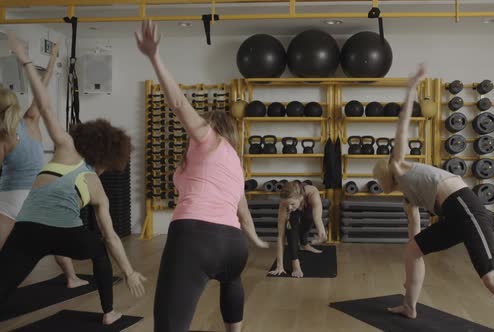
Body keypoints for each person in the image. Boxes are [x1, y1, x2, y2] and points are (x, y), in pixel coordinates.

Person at [372, 63, 494, 332]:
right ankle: (410, 306)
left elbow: (401, 130)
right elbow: (415, 234)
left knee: (493, 279)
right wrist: (412, 260)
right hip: (452, 215)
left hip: (466, 208)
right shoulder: (408, 195)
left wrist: (411, 89)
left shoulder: (399, 167)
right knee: (413, 249)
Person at [0, 31, 146, 325]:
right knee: (100, 252)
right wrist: (129, 271)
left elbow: (46, 106)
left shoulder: (65, 149)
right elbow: (111, 236)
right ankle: (109, 313)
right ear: (107, 159)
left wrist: (27, 61)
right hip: (67, 236)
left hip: (27, 231)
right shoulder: (97, 187)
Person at [135, 20, 269, 332]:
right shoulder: (235, 161)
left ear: (211, 127)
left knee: (169, 325)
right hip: (234, 246)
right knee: (231, 280)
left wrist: (154, 56)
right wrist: (256, 239)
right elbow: (243, 211)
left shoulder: (208, 140)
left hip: (195, 238)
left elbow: (179, 104)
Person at [0, 43, 88, 289]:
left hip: (11, 197)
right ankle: (72, 278)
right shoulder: (31, 119)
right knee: (53, 237)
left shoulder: (3, 134)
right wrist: (52, 61)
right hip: (38, 194)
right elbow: (42, 89)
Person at [268, 181, 328, 278]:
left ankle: (305, 244)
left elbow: (317, 218)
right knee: (292, 227)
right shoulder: (285, 205)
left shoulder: (312, 193)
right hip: (297, 210)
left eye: (292, 204)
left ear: (300, 198)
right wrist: (279, 266)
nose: (289, 207)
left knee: (309, 218)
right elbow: (280, 236)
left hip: (307, 206)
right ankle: (295, 263)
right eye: (286, 204)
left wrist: (322, 233)